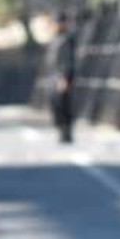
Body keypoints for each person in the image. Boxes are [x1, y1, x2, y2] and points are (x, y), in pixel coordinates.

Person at [49, 12, 76, 143]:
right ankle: (61, 130)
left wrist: (64, 78)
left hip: (62, 77)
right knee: (55, 103)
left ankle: (66, 132)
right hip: (54, 76)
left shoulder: (67, 39)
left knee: (63, 104)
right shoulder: (56, 38)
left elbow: (68, 60)